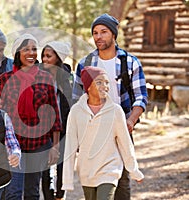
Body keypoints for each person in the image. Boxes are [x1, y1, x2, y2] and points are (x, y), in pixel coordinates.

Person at [72, 13, 148, 200]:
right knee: (93, 180)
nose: (98, 36)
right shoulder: (85, 64)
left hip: (120, 125)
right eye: (95, 33)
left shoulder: (129, 62)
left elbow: (141, 97)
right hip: (93, 128)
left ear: (114, 35)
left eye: (104, 32)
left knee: (122, 181)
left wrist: (130, 120)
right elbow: (76, 99)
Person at [62, 66, 144, 200]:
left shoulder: (116, 111)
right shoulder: (76, 112)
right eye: (99, 82)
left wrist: (134, 170)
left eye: (107, 82)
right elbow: (70, 146)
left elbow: (125, 143)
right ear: (88, 86)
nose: (105, 86)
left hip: (110, 168)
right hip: (87, 170)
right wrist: (67, 179)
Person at [0, 33, 62, 200]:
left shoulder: (45, 77)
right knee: (13, 191)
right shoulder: (5, 79)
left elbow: (54, 115)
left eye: (34, 49)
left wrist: (54, 147)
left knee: (32, 192)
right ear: (17, 53)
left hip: (39, 144)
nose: (31, 53)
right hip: (13, 143)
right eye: (26, 49)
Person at [40, 41, 72, 200]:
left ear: (58, 58)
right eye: (43, 55)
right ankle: (48, 197)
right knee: (45, 169)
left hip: (64, 128)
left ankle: (60, 195)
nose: (44, 59)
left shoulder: (67, 78)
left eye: (48, 56)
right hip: (44, 129)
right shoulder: (38, 75)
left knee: (62, 167)